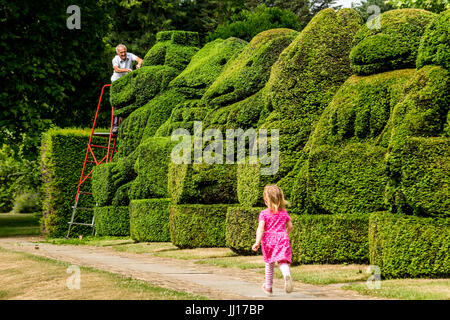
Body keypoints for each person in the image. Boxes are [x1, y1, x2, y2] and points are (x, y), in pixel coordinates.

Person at [252, 184, 293, 295]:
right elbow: (290, 226)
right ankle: (286, 274)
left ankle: (268, 287)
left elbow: (260, 229)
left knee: (269, 264)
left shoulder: (264, 213)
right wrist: (285, 235)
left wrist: (257, 242)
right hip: (282, 238)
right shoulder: (284, 213)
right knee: (282, 261)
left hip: (269, 240)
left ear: (266, 200)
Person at [110, 44, 143, 133]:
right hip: (117, 82)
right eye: (121, 52)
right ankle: (115, 126)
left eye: (124, 51)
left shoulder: (130, 55)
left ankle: (127, 124)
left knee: (129, 101)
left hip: (127, 82)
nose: (123, 54)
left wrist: (139, 64)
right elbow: (116, 69)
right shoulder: (115, 59)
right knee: (117, 103)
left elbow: (140, 60)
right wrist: (127, 70)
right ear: (118, 53)